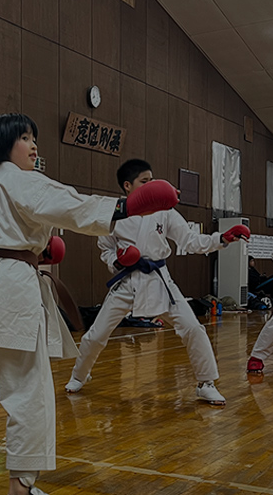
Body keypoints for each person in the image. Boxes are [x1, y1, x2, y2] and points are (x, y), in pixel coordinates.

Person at [0, 114, 179, 495]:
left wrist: (37, 249)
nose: (34, 145)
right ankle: (22, 490)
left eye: (33, 138)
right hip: (11, 284)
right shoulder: (23, 181)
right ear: (3, 146)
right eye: (25, 138)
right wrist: (126, 206)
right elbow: (69, 205)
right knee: (28, 385)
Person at [64, 158, 250, 406]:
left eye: (153, 180)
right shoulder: (112, 213)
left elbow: (190, 240)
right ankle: (79, 375)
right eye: (145, 181)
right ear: (128, 186)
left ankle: (206, 383)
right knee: (96, 335)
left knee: (193, 328)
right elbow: (105, 249)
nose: (151, 185)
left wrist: (222, 239)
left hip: (160, 280)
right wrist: (118, 261)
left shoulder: (166, 212)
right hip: (128, 281)